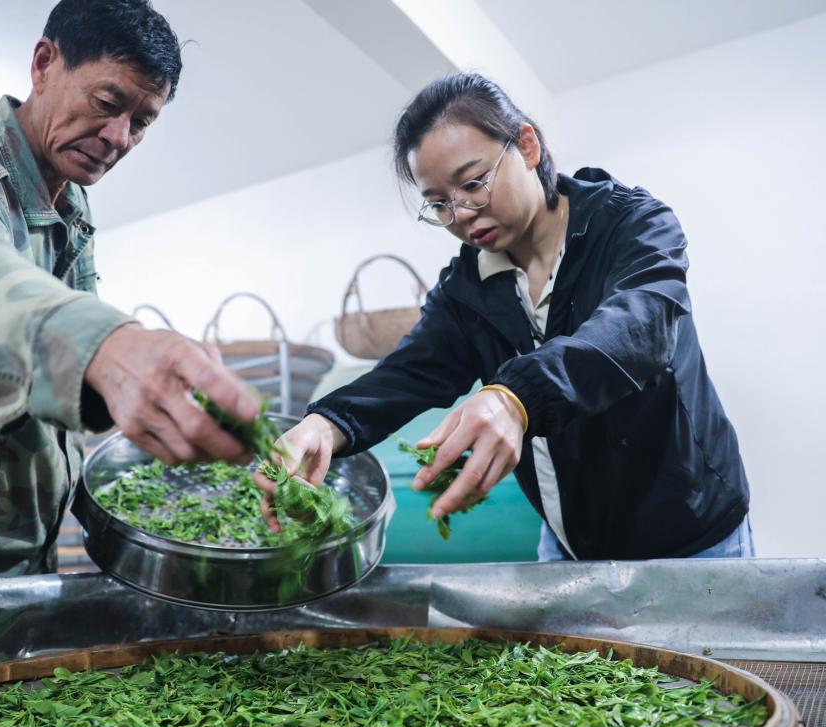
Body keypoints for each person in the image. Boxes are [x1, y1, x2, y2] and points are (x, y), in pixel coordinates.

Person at [258, 73, 752, 561]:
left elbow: (635, 329)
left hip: (692, 539)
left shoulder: (633, 225)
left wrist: (516, 398)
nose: (463, 213)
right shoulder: (467, 288)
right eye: (439, 204)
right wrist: (327, 423)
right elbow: (410, 371)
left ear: (527, 146)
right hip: (568, 543)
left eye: (473, 183)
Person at [0, 0, 258, 582]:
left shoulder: (71, 207)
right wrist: (108, 349)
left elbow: (51, 386)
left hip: (32, 553)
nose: (118, 137)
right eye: (107, 103)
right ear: (44, 63)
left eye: (142, 121)